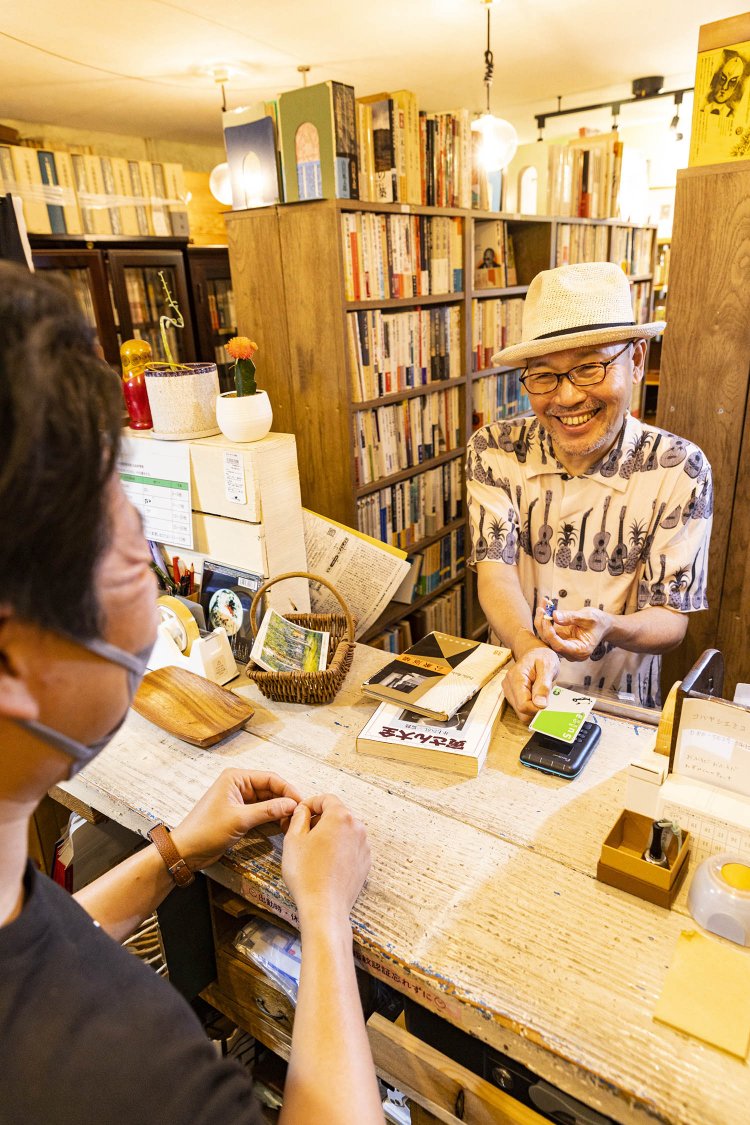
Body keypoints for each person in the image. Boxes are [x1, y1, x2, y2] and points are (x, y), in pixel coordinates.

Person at [0, 262, 383, 1124]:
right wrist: (323, 914)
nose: (156, 597)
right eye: (132, 557)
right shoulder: (127, 1077)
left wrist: (174, 851)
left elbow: (42, 944)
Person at [466, 261, 712, 722]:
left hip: (617, 710)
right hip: (514, 684)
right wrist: (528, 646)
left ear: (636, 360)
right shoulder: (494, 449)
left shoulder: (680, 468)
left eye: (589, 368)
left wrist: (609, 626)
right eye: (543, 375)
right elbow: (495, 573)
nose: (566, 398)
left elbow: (671, 618)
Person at [703, 49, 748, 118]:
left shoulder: (732, 115)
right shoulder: (703, 107)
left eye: (732, 82)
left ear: (736, 89)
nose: (724, 87)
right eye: (723, 79)